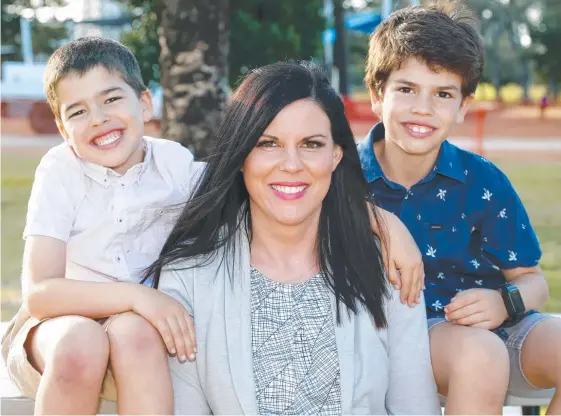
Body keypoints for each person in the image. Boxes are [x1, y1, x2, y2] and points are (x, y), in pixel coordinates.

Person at [150, 61, 441, 415]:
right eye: (268, 143)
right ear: (242, 156)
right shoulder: (189, 273)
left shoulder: (388, 263)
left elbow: (415, 406)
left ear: (335, 156)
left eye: (311, 144)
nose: (291, 164)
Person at [358, 2, 561, 414]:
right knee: (479, 354)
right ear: (378, 95)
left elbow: (532, 281)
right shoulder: (341, 177)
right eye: (407, 89)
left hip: (499, 329)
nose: (423, 108)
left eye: (443, 94)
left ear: (464, 105)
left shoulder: (483, 181)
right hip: (401, 340)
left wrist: (506, 302)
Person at [1, 37, 202, 415]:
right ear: (62, 129)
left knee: (137, 333)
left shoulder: (174, 165)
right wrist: (137, 295)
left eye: (111, 99)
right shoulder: (60, 170)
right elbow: (40, 295)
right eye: (77, 112)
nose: (97, 119)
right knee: (82, 342)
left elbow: (238, 197)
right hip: (57, 332)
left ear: (145, 102)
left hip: (136, 341)